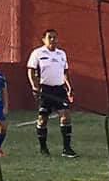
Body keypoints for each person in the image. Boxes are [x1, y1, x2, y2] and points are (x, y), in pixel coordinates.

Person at [27, 29, 76, 158]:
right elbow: (31, 71)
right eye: (50, 37)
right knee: (43, 119)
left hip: (59, 90)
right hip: (45, 90)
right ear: (44, 39)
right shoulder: (38, 53)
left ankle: (67, 149)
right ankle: (43, 148)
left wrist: (69, 87)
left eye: (55, 37)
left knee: (65, 116)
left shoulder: (61, 54)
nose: (53, 40)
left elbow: (65, 72)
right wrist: (34, 86)